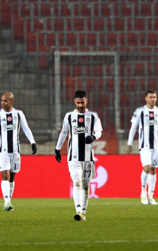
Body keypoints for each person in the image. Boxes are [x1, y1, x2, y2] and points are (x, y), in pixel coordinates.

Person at [55, 90, 103, 221]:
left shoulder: (93, 116)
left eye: (82, 102)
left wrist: (93, 136)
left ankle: (83, 212)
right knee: (76, 182)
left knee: (85, 185)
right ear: (74, 102)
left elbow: (99, 131)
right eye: (78, 103)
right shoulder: (69, 116)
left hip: (88, 158)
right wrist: (57, 149)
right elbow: (64, 132)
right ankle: (77, 211)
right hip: (73, 157)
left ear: (86, 101)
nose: (80, 105)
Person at [0, 92, 37, 211]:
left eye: (5, 101)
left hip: (15, 150)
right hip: (2, 150)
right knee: (5, 175)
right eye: (1, 100)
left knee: (12, 177)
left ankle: (8, 201)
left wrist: (32, 142)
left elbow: (26, 128)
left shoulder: (18, 114)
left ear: (12, 102)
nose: (2, 102)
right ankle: (7, 202)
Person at [126, 90, 158, 205]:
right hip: (144, 146)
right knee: (147, 168)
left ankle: (151, 196)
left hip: (156, 146)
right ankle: (143, 192)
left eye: (154, 97)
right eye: (150, 97)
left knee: (154, 170)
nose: (153, 99)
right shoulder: (139, 111)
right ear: (146, 98)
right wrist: (129, 143)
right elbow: (133, 127)